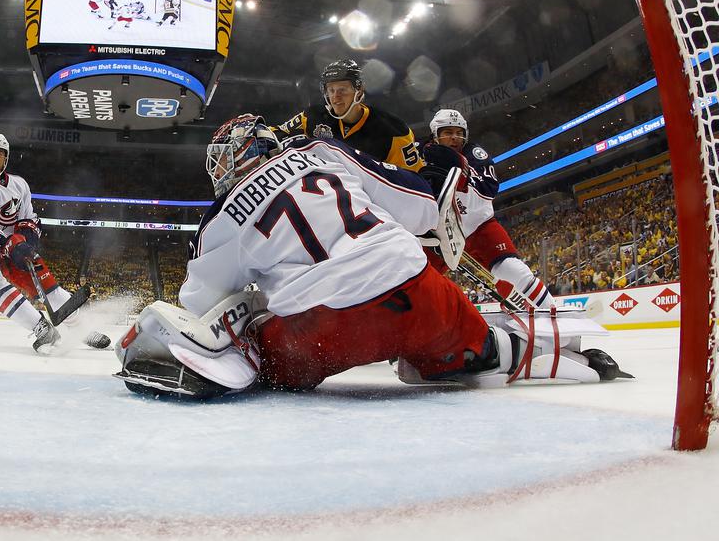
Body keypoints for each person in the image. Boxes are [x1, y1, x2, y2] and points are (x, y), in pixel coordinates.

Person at [114, 114, 628, 397]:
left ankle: (245, 356)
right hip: (420, 288)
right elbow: (424, 210)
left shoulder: (221, 214)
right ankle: (572, 359)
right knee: (457, 360)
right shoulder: (323, 153)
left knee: (245, 331)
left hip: (325, 328)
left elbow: (198, 303)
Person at [0, 133, 90, 353]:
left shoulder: (19, 185)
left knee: (46, 283)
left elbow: (28, 218)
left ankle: (83, 328)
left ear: (6, 158)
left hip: (13, 247)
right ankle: (41, 327)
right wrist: (11, 245)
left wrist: (28, 241)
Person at [422, 109, 552, 309]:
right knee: (420, 281)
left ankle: (551, 312)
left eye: (458, 132)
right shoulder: (419, 152)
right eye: (447, 132)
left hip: (479, 225)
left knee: (512, 269)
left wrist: (460, 168)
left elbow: (488, 189)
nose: (454, 138)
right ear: (435, 133)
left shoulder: (475, 154)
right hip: (439, 233)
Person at [273, 58, 423, 171]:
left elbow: (412, 182)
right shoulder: (312, 116)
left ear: (359, 90)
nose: (335, 97)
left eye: (342, 90)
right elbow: (278, 133)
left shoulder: (394, 131)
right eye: (331, 90)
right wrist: (257, 128)